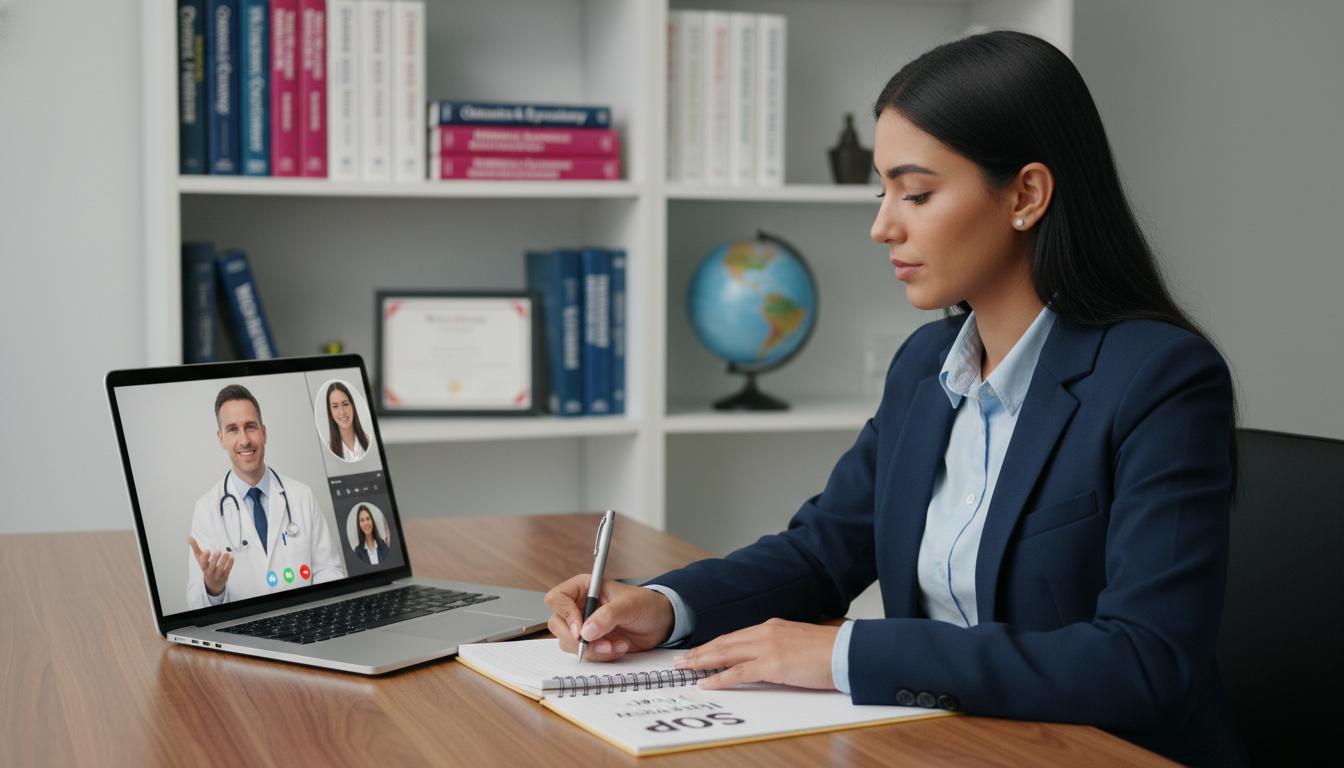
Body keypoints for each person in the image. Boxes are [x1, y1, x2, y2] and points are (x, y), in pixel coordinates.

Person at [545, 32, 1246, 768]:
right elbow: (822, 554)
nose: (883, 226)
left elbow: (1146, 661)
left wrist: (847, 653)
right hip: (947, 745)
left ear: (1026, 196)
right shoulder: (924, 367)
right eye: (882, 193)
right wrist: (664, 606)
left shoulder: (1161, 379)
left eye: (916, 194)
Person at [186, 384, 346, 609]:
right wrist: (213, 587)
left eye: (250, 427)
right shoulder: (206, 509)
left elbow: (329, 570)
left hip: (303, 621)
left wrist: (317, 615)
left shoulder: (302, 496)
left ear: (264, 432)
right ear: (221, 439)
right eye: (233, 430)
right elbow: (196, 603)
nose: (244, 440)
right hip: (244, 627)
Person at [325, 381, 370, 462]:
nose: (342, 412)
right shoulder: (328, 453)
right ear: (330, 412)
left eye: (345, 404)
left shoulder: (370, 443)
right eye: (335, 406)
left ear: (353, 406)